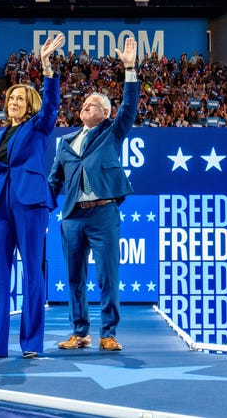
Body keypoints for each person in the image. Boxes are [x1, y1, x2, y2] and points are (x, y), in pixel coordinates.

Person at [0, 33, 64, 360]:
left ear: (29, 106)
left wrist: (46, 65)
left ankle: (30, 344)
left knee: (32, 274)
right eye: (11, 98)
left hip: (31, 202)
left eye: (20, 99)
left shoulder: (39, 126)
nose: (13, 102)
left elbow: (52, 103)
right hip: (0, 207)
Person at [49, 36, 139, 352]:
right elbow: (53, 183)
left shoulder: (111, 133)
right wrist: (36, 208)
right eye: (84, 103)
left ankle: (108, 333)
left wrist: (129, 69)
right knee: (74, 277)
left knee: (107, 277)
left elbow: (129, 107)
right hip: (72, 215)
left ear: (103, 113)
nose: (85, 105)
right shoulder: (64, 143)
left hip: (103, 214)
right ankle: (80, 332)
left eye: (93, 104)